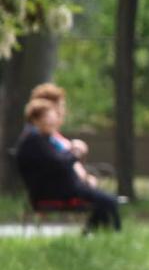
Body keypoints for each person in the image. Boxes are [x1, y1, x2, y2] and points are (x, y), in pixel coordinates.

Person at [15, 98, 121, 232]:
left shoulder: (41, 139)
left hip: (63, 188)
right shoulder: (35, 141)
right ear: (36, 120)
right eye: (49, 117)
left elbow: (58, 161)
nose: (55, 121)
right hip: (55, 192)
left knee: (105, 202)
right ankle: (113, 234)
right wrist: (75, 152)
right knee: (109, 201)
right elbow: (59, 164)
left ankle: (93, 235)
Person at [29, 83, 97, 187]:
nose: (64, 111)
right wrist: (77, 151)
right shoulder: (45, 139)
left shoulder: (52, 137)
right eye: (61, 106)